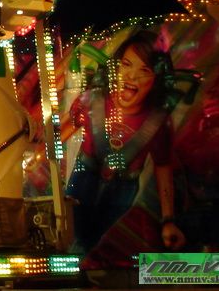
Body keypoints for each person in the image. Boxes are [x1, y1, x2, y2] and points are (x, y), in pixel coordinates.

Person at [66, 30, 185, 268]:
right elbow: (68, 128)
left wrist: (168, 219)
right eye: (126, 64)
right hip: (85, 174)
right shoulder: (94, 99)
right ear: (116, 67)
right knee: (74, 240)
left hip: (123, 187)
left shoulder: (157, 121)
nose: (131, 76)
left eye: (144, 70)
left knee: (95, 242)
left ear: (156, 79)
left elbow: (163, 167)